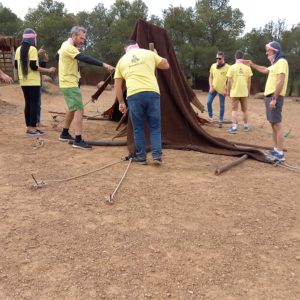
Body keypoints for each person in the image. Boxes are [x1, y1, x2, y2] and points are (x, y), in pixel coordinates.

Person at [57, 26, 114, 150]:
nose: (83, 41)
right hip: (69, 82)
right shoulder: (68, 47)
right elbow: (84, 58)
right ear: (73, 36)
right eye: (81, 38)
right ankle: (78, 140)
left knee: (72, 108)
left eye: (84, 38)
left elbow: (58, 56)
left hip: (69, 81)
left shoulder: (65, 45)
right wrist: (103, 64)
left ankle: (64, 133)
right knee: (79, 109)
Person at [114, 40, 170, 165]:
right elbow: (166, 65)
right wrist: (156, 54)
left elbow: (117, 85)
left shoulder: (121, 61)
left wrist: (121, 103)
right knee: (155, 127)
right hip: (152, 93)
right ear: (137, 46)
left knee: (138, 128)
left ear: (126, 49)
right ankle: (156, 156)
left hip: (134, 95)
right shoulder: (148, 53)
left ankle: (141, 157)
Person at [242, 41, 289, 161]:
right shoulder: (275, 64)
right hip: (269, 97)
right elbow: (264, 69)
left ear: (274, 50)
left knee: (277, 125)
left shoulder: (282, 62)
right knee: (273, 124)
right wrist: (251, 64)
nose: (266, 52)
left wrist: (274, 99)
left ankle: (280, 153)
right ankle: (276, 149)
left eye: (268, 50)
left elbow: (281, 80)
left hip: (274, 97)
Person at [15, 28, 56, 136]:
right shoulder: (32, 49)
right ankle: (32, 129)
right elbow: (34, 67)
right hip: (33, 81)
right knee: (34, 104)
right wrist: (49, 70)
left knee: (28, 104)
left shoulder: (18, 49)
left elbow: (16, 65)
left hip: (23, 81)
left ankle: (29, 128)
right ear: (33, 39)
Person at [226, 50, 253, 134]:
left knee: (234, 110)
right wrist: (248, 91)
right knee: (244, 110)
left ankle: (234, 128)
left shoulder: (231, 67)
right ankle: (246, 126)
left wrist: (228, 91)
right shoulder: (247, 68)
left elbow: (229, 81)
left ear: (235, 57)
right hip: (244, 92)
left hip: (234, 92)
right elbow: (249, 82)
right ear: (243, 57)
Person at [207, 51, 230, 128]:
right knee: (208, 102)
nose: (217, 60)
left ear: (223, 58)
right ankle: (211, 119)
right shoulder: (213, 66)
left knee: (222, 105)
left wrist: (226, 90)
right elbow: (210, 77)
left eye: (219, 58)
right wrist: (210, 86)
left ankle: (220, 121)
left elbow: (229, 80)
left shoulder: (228, 67)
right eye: (216, 58)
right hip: (213, 88)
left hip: (222, 90)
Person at [36, 47, 49, 126]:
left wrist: (45, 59)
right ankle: (33, 123)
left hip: (38, 83)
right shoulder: (29, 55)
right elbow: (30, 64)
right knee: (34, 104)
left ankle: (37, 121)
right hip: (32, 83)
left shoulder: (36, 59)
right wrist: (37, 54)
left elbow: (42, 66)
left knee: (38, 104)